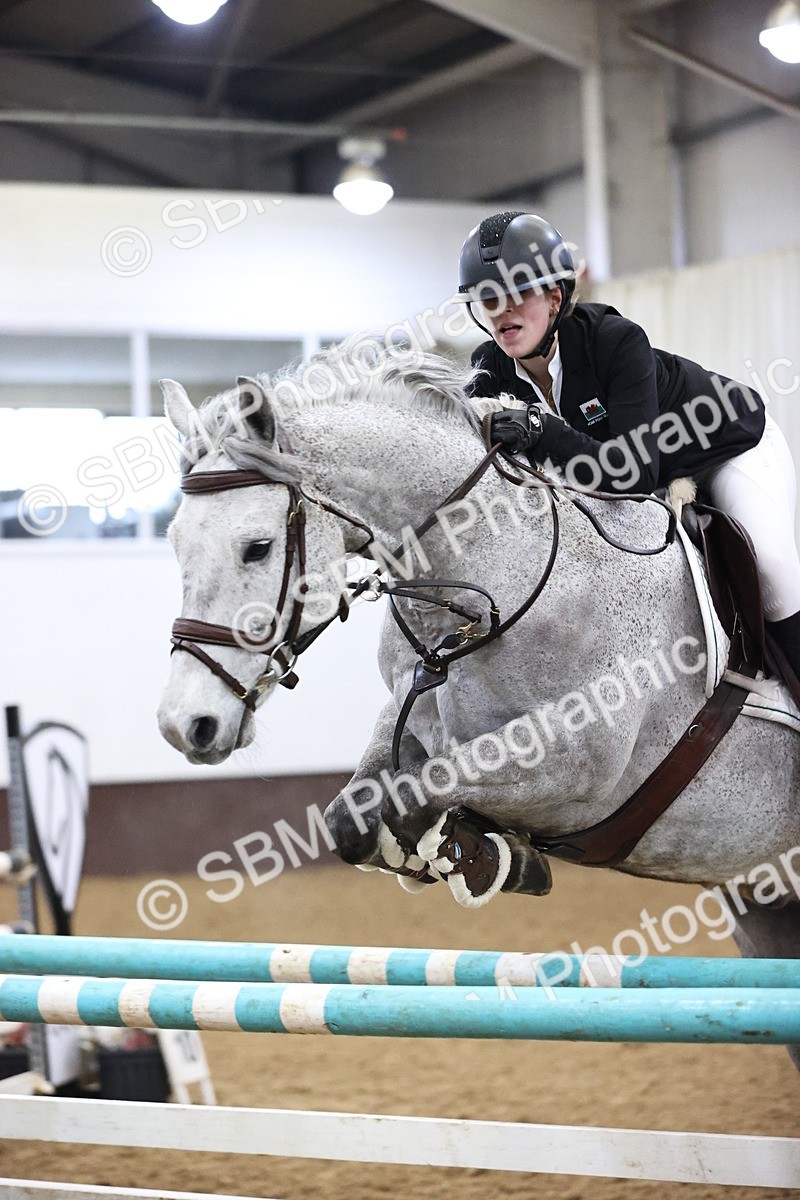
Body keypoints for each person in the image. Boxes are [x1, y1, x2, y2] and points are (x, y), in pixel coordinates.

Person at [454, 209, 800, 679]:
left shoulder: (617, 341)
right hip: (650, 473)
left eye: (518, 292)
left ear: (555, 298)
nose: (503, 310)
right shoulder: (488, 372)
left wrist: (542, 429)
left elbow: (632, 476)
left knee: (773, 567)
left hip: (725, 446)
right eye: (488, 298)